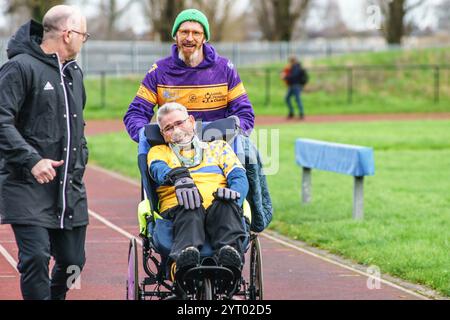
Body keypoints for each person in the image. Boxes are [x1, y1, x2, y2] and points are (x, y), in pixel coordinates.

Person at [0, 5, 90, 300]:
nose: (83, 41)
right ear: (68, 34)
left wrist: (81, 160)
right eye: (83, 35)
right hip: (27, 185)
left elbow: (80, 126)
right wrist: (32, 160)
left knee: (74, 262)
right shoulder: (20, 67)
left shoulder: (74, 74)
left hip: (69, 188)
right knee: (36, 258)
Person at [147, 102, 248, 280]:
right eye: (168, 128)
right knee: (190, 205)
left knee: (225, 205)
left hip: (219, 206)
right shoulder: (159, 151)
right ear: (163, 134)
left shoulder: (219, 147)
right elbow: (157, 169)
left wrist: (234, 196)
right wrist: (178, 178)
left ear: (191, 121)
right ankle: (183, 261)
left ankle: (229, 259)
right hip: (179, 208)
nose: (176, 131)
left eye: (179, 123)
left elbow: (239, 177)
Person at [123, 8, 255, 142]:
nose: (189, 38)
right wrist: (147, 136)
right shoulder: (159, 71)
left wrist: (235, 134)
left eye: (196, 33)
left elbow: (245, 113)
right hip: (173, 150)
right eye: (184, 32)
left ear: (204, 38)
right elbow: (135, 113)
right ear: (176, 36)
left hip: (217, 150)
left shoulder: (225, 68)